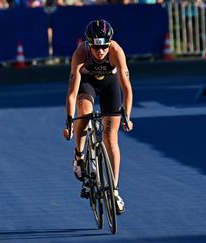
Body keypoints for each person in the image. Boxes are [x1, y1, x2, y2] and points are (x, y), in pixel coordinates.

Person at [63, 19, 133, 215]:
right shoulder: (80, 53)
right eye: (95, 47)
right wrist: (69, 120)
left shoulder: (116, 51)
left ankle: (115, 191)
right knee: (84, 113)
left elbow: (127, 89)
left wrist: (127, 115)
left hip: (110, 84)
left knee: (111, 138)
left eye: (104, 47)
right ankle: (79, 155)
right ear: (89, 44)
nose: (100, 51)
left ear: (109, 43)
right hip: (87, 84)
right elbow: (71, 92)